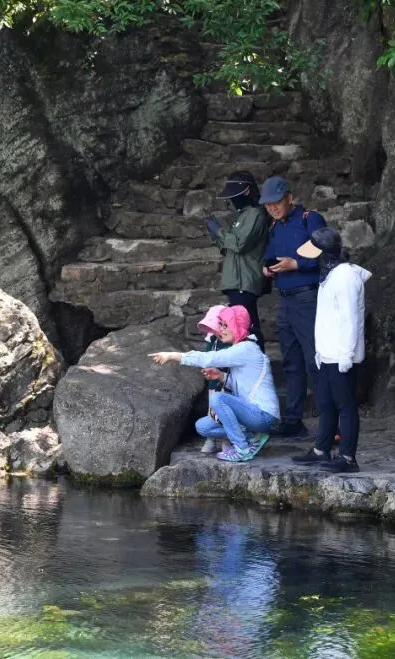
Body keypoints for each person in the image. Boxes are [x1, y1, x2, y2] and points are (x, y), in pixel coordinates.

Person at [149, 305, 280, 463]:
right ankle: (252, 437)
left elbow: (209, 358)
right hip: (252, 415)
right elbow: (244, 385)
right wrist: (221, 376)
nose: (221, 330)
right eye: (221, 325)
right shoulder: (242, 348)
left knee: (218, 398)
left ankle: (242, 448)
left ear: (237, 326)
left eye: (226, 325)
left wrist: (173, 355)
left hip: (264, 416)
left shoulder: (246, 348)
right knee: (203, 426)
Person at [289, 227, 371, 473]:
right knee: (325, 402)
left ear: (325, 253)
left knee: (345, 405)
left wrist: (346, 354)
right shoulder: (330, 276)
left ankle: (347, 457)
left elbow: (350, 318)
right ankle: (321, 449)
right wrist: (319, 351)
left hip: (340, 353)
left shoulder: (345, 277)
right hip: (326, 353)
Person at [259, 176, 327, 436]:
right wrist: (268, 268)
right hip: (286, 299)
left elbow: (326, 252)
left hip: (308, 297)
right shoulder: (275, 226)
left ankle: (329, 424)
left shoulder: (310, 219)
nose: (272, 208)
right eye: (268, 205)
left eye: (276, 202)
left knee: (314, 360)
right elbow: (270, 255)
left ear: (289, 198)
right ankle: (293, 421)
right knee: (291, 362)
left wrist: (296, 264)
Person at [203, 172, 270, 351]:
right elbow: (229, 249)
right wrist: (215, 233)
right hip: (237, 281)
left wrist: (218, 231)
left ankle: (257, 361)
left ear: (247, 191)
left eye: (234, 195)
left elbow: (239, 244)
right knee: (245, 327)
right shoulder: (243, 216)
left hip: (245, 280)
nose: (232, 200)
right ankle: (253, 362)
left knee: (247, 328)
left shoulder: (255, 214)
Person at [196, 305, 231, 454]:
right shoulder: (212, 340)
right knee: (212, 411)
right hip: (214, 383)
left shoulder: (234, 341)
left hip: (229, 383)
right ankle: (210, 439)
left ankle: (227, 439)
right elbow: (206, 357)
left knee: (227, 413)